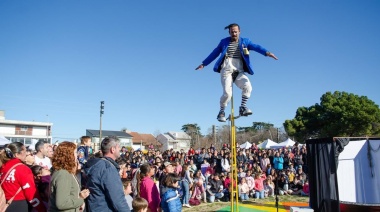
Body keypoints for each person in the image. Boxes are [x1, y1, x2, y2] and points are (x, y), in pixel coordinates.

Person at [195, 23, 278, 122]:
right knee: (227, 94)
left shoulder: (245, 41)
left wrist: (267, 53)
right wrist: (204, 64)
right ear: (229, 32)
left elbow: (256, 47)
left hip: (239, 69)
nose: (234, 33)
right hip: (226, 68)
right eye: (232, 32)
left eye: (235, 31)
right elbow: (215, 53)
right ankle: (221, 111)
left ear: (239, 31)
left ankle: (243, 107)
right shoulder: (224, 42)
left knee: (247, 86)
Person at [83, 136, 131, 211]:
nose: (120, 150)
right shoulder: (108, 168)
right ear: (113, 149)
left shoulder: (97, 164)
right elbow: (117, 199)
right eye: (118, 147)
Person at [0, 142, 46, 212]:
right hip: (19, 205)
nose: (27, 154)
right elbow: (31, 193)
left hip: (5, 204)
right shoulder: (22, 168)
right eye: (25, 151)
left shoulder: (3, 167)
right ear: (17, 154)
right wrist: (41, 209)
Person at [49, 141, 90, 211]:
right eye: (75, 152)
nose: (78, 155)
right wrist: (81, 200)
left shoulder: (65, 172)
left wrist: (79, 196)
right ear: (68, 155)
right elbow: (62, 203)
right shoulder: (63, 174)